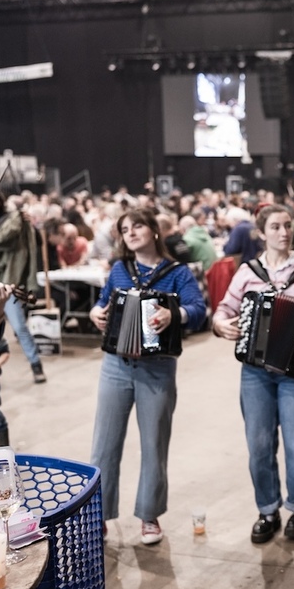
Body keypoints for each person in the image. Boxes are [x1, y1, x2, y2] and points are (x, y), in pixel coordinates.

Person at [211, 204, 294, 545]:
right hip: (256, 373)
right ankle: (267, 509)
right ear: (262, 233)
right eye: (276, 226)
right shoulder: (248, 272)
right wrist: (221, 325)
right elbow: (223, 310)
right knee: (259, 445)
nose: (284, 232)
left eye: (288, 226)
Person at [89, 208, 206, 545]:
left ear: (154, 230)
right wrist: (98, 311)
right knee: (104, 446)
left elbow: (198, 310)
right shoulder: (119, 269)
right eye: (125, 229)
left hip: (158, 367)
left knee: (154, 444)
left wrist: (175, 314)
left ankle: (149, 516)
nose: (131, 232)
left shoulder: (177, 273)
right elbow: (103, 300)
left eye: (137, 225)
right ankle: (99, 516)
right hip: (115, 365)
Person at [0, 188, 46, 383]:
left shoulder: (11, 221)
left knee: (18, 326)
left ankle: (35, 364)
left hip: (6, 280)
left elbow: (34, 240)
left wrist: (27, 223)